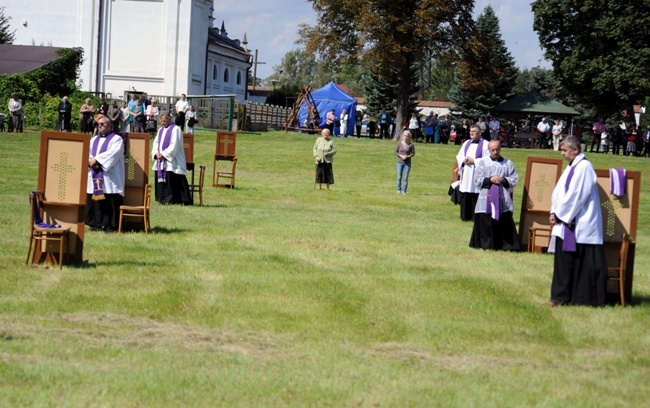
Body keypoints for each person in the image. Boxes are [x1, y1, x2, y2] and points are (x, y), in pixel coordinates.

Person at [546, 135, 607, 307]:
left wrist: (560, 215)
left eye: (565, 150)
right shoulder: (572, 166)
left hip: (579, 222)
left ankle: (578, 298)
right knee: (563, 262)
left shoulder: (584, 167)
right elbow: (559, 192)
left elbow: (577, 195)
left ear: (575, 150)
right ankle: (560, 296)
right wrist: (554, 211)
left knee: (578, 261)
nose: (562, 154)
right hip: (567, 220)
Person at [469, 140, 520, 251]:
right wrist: (490, 179)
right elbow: (477, 180)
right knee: (486, 221)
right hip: (487, 195)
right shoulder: (483, 162)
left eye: (497, 149)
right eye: (493, 150)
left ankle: (507, 245)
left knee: (504, 220)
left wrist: (503, 180)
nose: (495, 152)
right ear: (489, 150)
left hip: (503, 197)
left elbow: (514, 178)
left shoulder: (508, 163)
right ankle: (487, 245)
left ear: (500, 149)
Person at [85, 115, 125, 232]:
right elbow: (87, 152)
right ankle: (95, 223)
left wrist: (97, 161)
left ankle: (110, 225)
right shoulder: (93, 139)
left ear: (110, 125)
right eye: (99, 124)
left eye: (103, 124)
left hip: (109, 174)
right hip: (94, 172)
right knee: (94, 200)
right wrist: (90, 161)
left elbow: (113, 154)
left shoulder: (116, 139)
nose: (100, 126)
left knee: (109, 199)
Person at [152, 112, 192, 205]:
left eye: (164, 121)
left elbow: (174, 145)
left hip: (172, 160)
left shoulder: (176, 129)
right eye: (161, 121)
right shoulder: (160, 130)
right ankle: (161, 198)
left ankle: (174, 199)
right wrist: (156, 153)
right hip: (161, 160)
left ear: (169, 119)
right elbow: (155, 143)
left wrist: (164, 154)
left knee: (173, 176)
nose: (162, 123)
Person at [456, 125, 490, 221]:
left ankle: (476, 217)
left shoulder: (485, 144)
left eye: (474, 131)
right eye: (471, 131)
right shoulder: (466, 143)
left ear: (480, 133)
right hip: (467, 172)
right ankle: (465, 216)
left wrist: (474, 161)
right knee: (466, 193)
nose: (471, 133)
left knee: (476, 194)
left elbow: (488, 159)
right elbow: (459, 155)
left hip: (477, 173)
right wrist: (464, 160)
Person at [395, 130, 415, 194]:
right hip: (399, 162)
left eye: (407, 136)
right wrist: (401, 156)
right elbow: (396, 152)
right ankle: (398, 189)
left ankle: (404, 190)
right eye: (404, 136)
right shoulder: (399, 144)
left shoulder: (411, 145)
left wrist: (407, 156)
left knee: (405, 177)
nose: (406, 137)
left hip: (407, 163)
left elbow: (413, 153)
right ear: (403, 136)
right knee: (399, 177)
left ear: (409, 137)